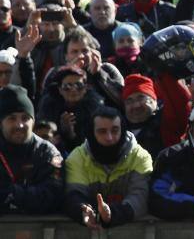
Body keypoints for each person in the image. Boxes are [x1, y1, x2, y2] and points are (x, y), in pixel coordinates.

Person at [64, 106, 153, 229]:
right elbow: (74, 193)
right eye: (102, 131)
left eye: (115, 130)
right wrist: (83, 210)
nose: (109, 138)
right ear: (92, 133)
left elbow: (140, 198)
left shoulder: (140, 157)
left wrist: (112, 214)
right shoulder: (77, 158)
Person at [0, 85, 63, 214]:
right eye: (12, 118)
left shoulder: (48, 152)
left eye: (25, 118)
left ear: (33, 122)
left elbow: (53, 196)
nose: (20, 125)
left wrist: (11, 193)